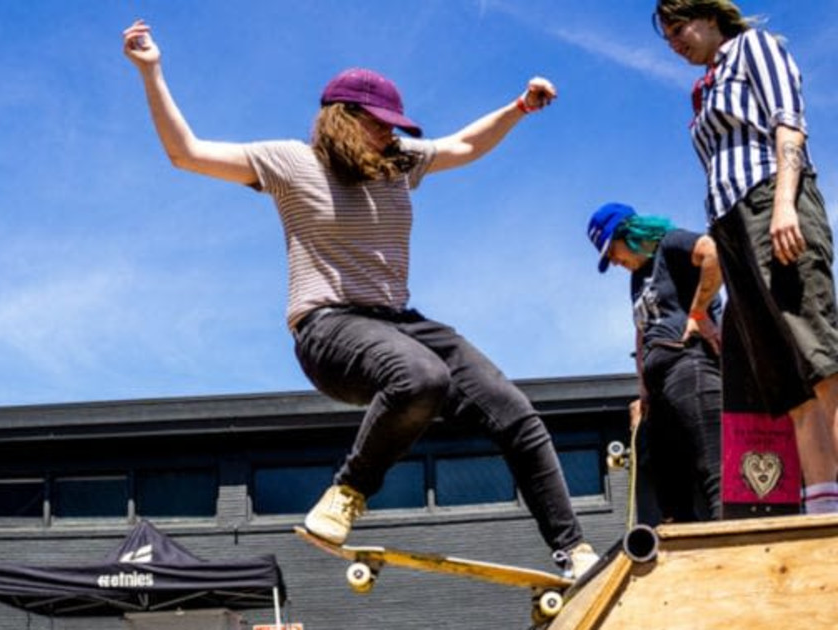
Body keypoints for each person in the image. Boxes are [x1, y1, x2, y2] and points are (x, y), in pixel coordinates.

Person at [122, 19, 598, 577]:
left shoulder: (398, 163)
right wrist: (152, 71)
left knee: (513, 411)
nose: (390, 137)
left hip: (397, 323)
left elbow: (464, 144)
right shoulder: (290, 162)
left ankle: (574, 551)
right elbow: (187, 152)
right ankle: (347, 493)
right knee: (421, 378)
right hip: (326, 329)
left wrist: (517, 108)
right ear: (344, 120)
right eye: (380, 127)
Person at [654, 0, 838, 513]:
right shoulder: (706, 86)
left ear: (710, 16)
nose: (673, 41)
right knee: (786, 380)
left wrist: (785, 206)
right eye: (666, 35)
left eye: (678, 26)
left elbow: (789, 125)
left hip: (769, 202)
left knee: (818, 358)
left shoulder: (753, 47)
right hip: (729, 223)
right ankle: (824, 514)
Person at [588, 203, 723, 523]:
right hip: (659, 386)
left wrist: (698, 312)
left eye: (612, 251)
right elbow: (641, 330)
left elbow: (714, 253)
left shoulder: (671, 243)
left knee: (715, 468)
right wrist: (643, 390)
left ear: (629, 233)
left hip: (688, 363)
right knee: (669, 488)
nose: (614, 261)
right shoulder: (637, 278)